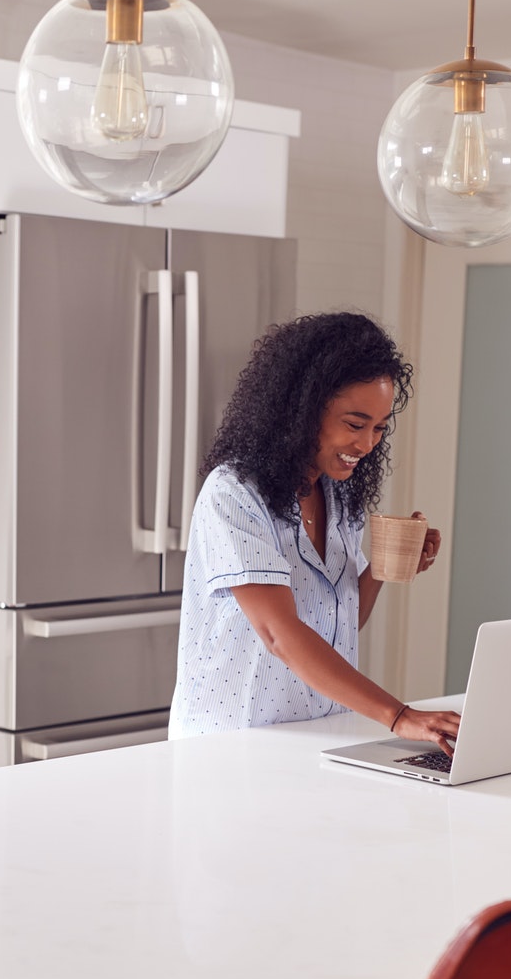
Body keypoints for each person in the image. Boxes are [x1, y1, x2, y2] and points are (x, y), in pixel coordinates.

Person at [168, 312, 459, 753]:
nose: (367, 445)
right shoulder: (233, 494)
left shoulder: (339, 497)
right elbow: (279, 633)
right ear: (301, 412)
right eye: (355, 424)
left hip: (316, 739)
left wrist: (381, 567)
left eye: (380, 428)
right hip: (229, 748)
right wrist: (399, 716)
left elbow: (339, 624)